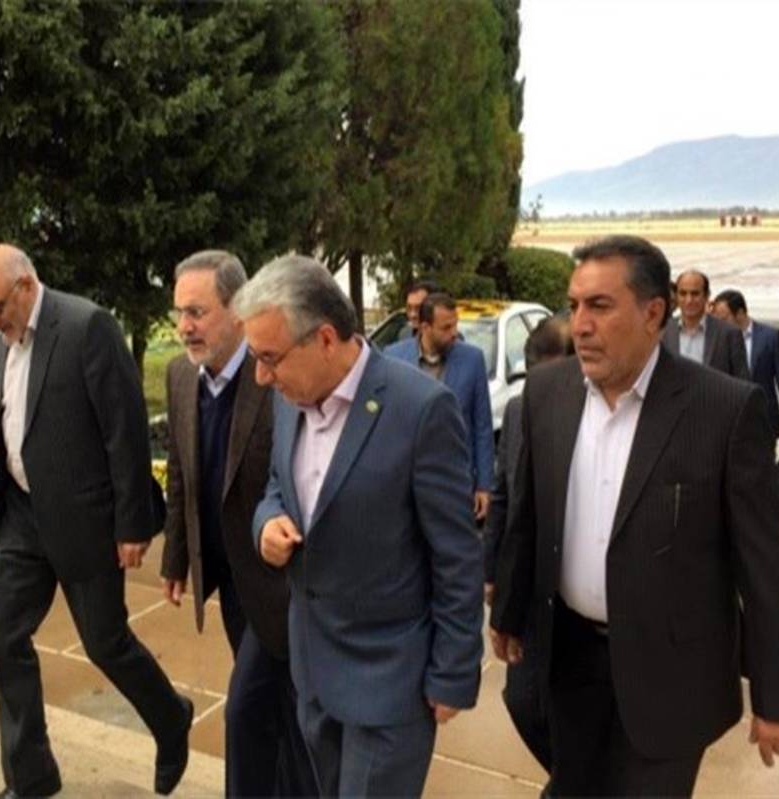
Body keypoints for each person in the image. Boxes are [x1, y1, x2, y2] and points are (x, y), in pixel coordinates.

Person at [491, 235, 779, 796]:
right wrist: (511, 610)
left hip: (672, 675)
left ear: (653, 313)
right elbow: (529, 515)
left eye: (600, 306)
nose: (580, 325)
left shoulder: (724, 410)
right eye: (574, 306)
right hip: (570, 661)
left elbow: (765, 566)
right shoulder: (546, 393)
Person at [236, 255, 483, 797]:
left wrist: (453, 671)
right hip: (313, 668)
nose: (261, 376)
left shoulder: (421, 409)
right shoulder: (290, 400)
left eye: (269, 358)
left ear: (325, 339)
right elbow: (278, 486)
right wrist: (267, 522)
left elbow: (457, 554)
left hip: (390, 681)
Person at [0, 244, 191, 799]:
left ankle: (170, 717)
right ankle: (31, 777)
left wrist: (132, 523)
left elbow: (125, 429)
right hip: (21, 516)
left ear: (25, 286)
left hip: (85, 520)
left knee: (105, 643)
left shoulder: (87, 327)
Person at [159, 250, 315, 797]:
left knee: (247, 711)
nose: (185, 327)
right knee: (282, 712)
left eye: (197, 312)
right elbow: (181, 471)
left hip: (280, 582)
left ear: (237, 309)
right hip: (228, 580)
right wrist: (177, 556)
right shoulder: (181, 376)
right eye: (179, 313)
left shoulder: (275, 375)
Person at [482, 315, 573, 775]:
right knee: (522, 700)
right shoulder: (519, 411)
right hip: (530, 583)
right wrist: (492, 573)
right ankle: (570, 779)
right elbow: (503, 495)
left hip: (581, 592)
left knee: (574, 705)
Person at [384, 293, 494, 519]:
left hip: (456, 484)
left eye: (455, 325)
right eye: (446, 328)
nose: (454, 333)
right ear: (425, 327)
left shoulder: (473, 359)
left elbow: (482, 426)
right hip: (406, 486)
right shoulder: (393, 358)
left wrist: (484, 485)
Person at [712, 289, 779, 442]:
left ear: (740, 313)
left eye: (724, 318)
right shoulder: (717, 339)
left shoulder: (771, 337)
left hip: (764, 421)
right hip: (728, 423)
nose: (720, 324)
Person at [662, 269, 749, 379]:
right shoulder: (663, 331)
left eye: (695, 294)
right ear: (676, 296)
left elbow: (742, 380)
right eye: (683, 294)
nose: (689, 300)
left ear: (707, 295)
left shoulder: (729, 334)